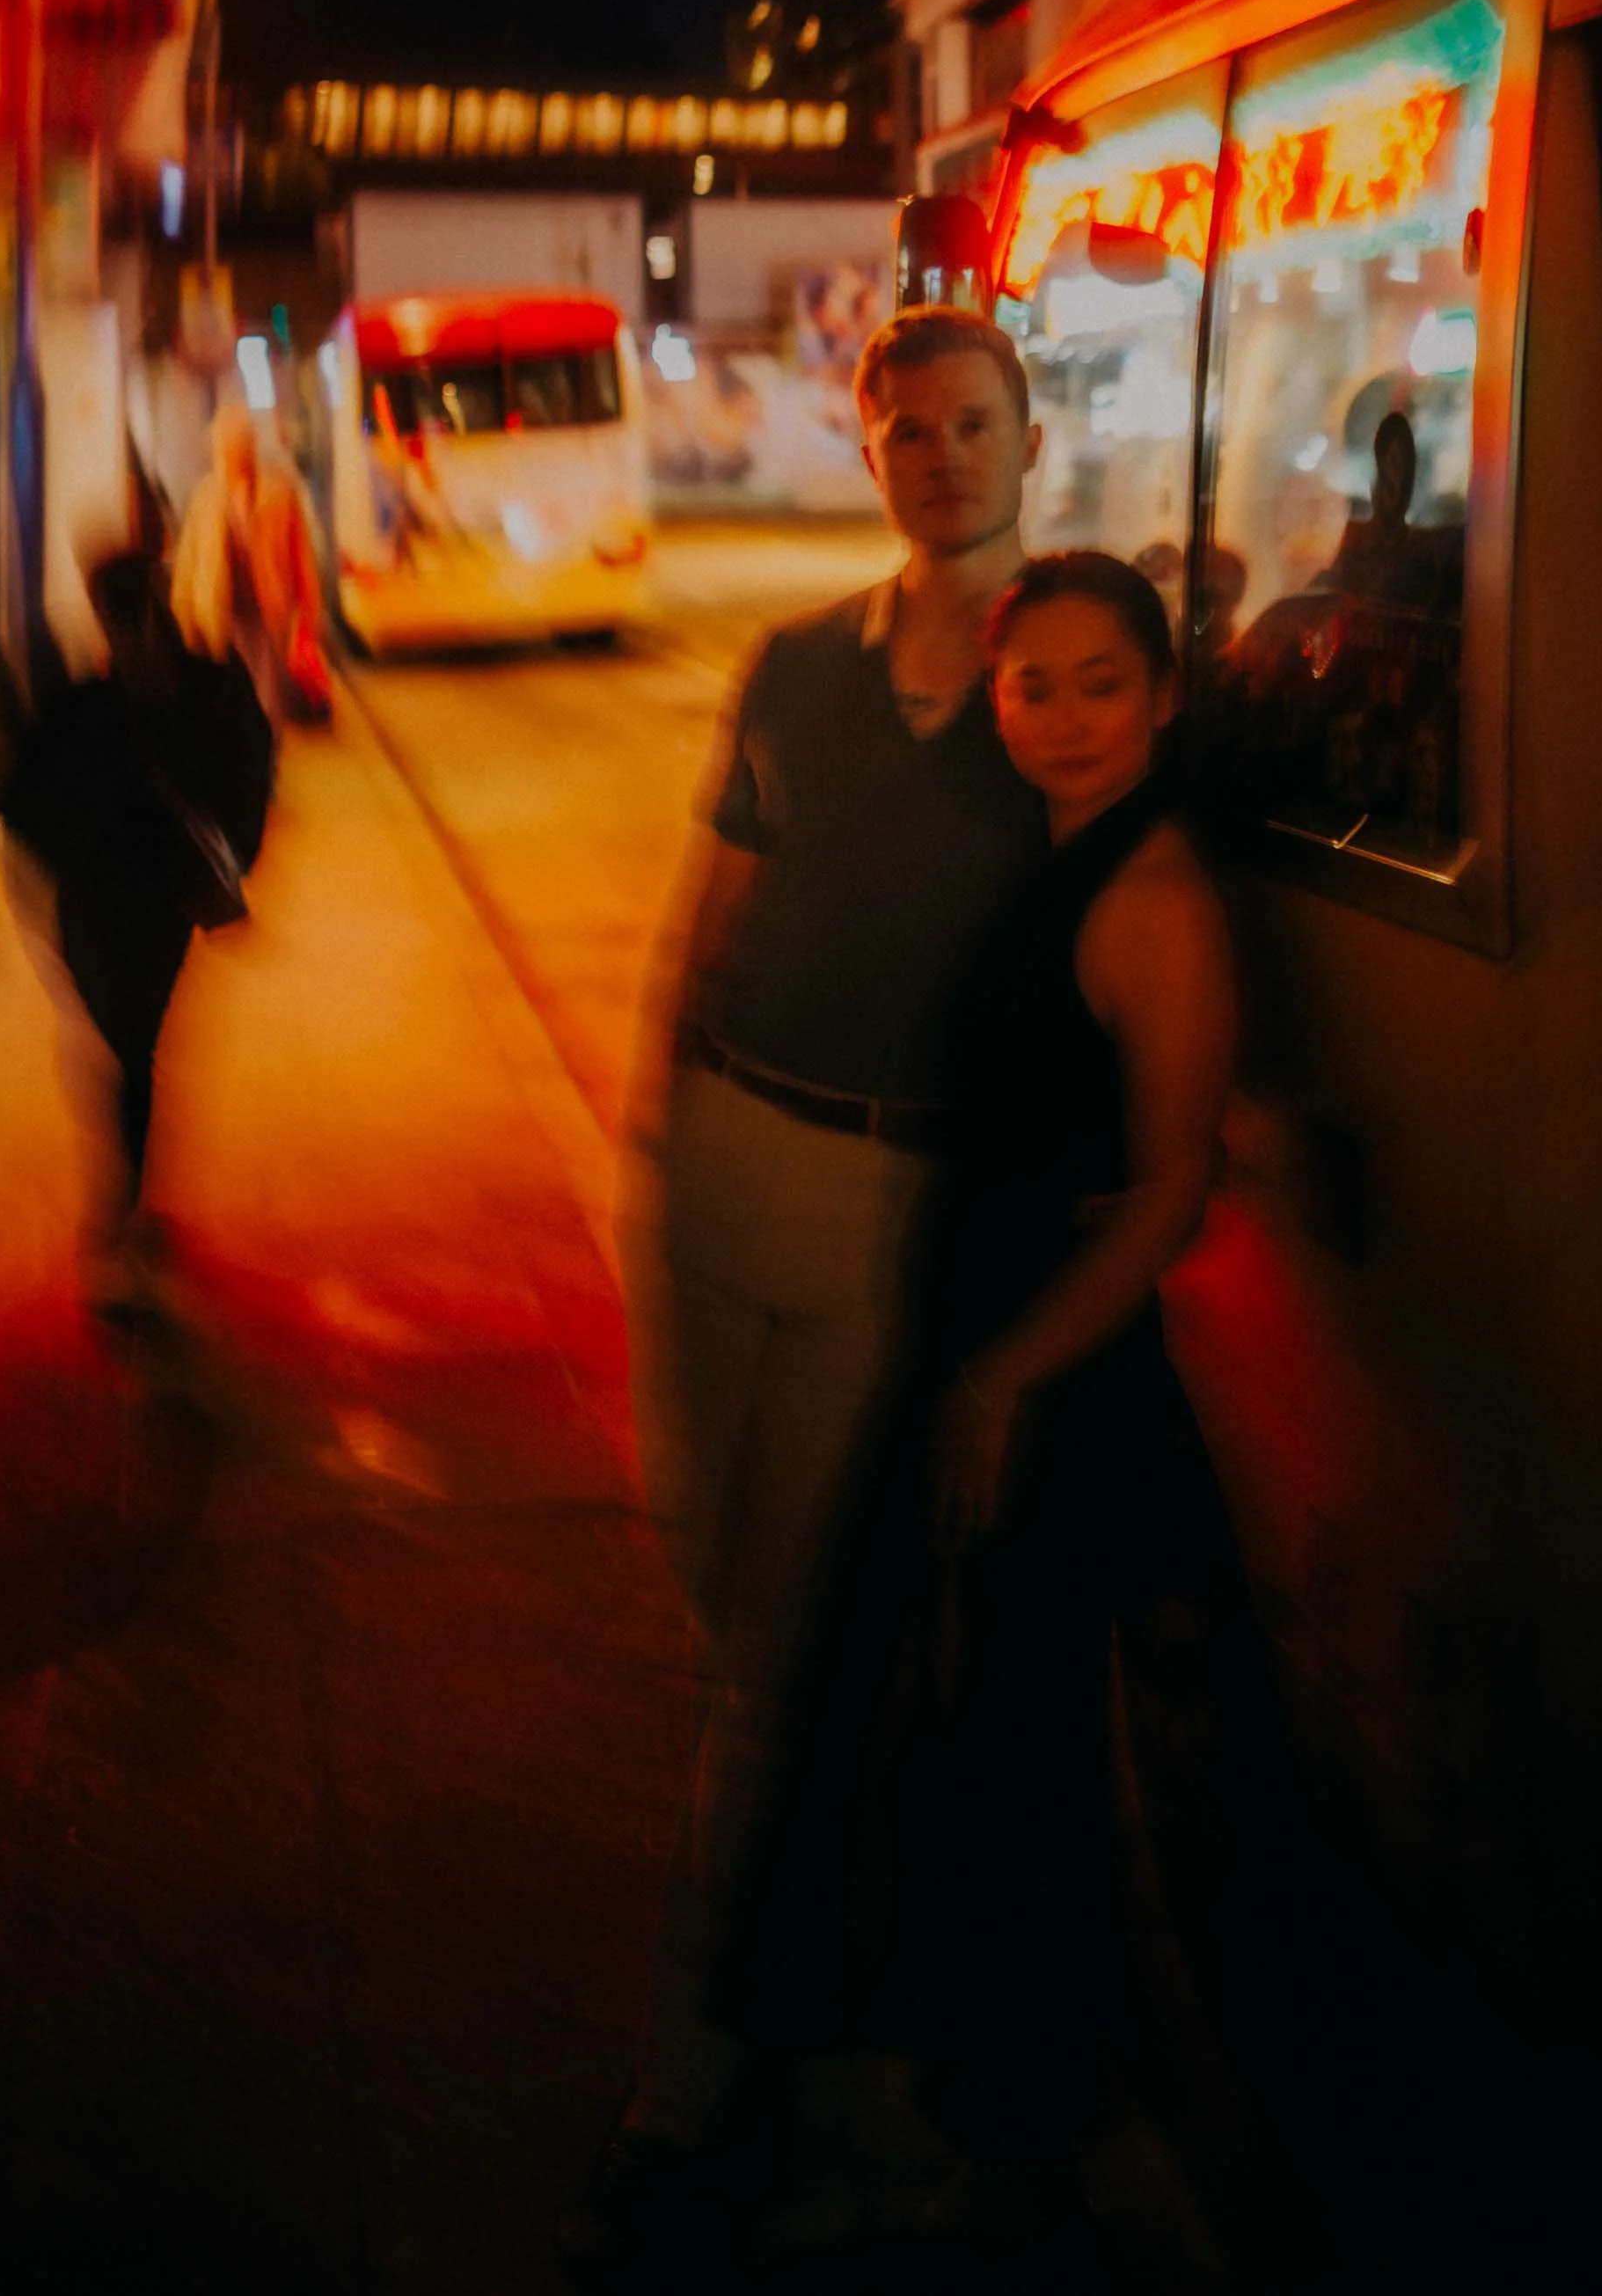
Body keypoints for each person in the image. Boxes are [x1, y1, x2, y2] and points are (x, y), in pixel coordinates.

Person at [728, 551, 1241, 2256]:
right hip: (979, 1332)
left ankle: (1025, 2138)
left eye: (1103, 682)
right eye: (1032, 684)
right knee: (965, 1730)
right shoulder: (1039, 839)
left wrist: (1006, 1380)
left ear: (1163, 696)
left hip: (1053, 1370)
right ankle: (988, 2096)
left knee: (1020, 1752)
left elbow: (1173, 1187)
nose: (1064, 716)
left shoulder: (1152, 893)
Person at [605, 305, 1048, 2205]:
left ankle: (712, 2039)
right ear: (866, 451)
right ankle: (792, 1933)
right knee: (710, 1587)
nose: (938, 453)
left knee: (784, 1646)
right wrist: (648, 1133)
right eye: (905, 428)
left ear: (1026, 440)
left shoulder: (1072, 677)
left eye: (971, 422)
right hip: (723, 1158)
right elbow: (706, 907)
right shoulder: (789, 666)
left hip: (898, 1200)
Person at [0, 552, 274, 1300]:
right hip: (157, 906)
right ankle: (125, 1206)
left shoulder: (66, 695)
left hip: (89, 904)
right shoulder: (197, 685)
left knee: (119, 1049)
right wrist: (233, 865)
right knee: (134, 1049)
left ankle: (118, 1209)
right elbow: (251, 771)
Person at [172, 394, 331, 721]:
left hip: (268, 612)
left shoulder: (279, 492)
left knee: (268, 701)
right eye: (224, 445)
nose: (230, 452)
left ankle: (267, 751)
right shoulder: (205, 497)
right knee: (230, 699)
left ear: (250, 445)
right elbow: (188, 562)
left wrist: (310, 616)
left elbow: (301, 557)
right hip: (221, 613)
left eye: (237, 444)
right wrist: (185, 619)